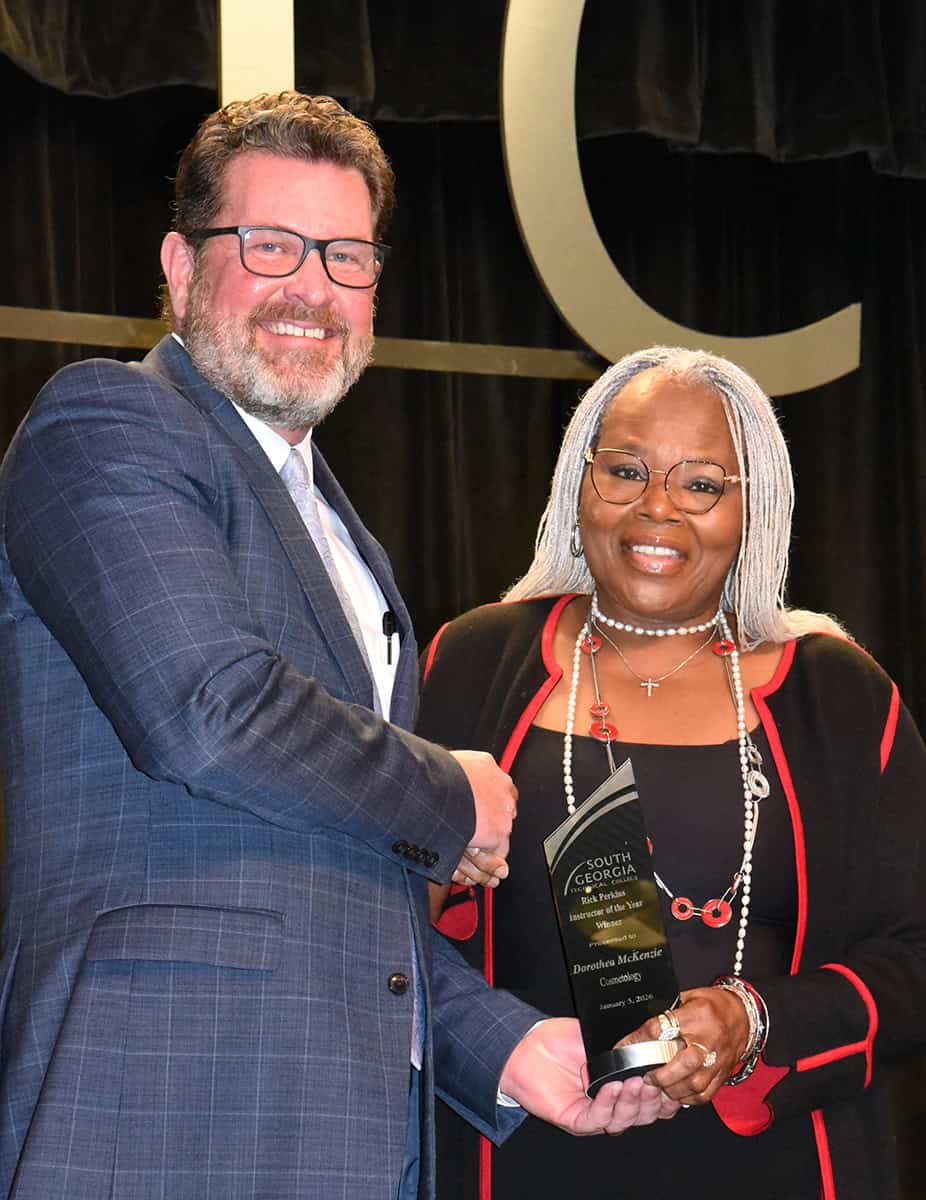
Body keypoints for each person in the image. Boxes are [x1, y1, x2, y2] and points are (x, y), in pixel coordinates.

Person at [0, 95, 675, 1200]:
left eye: (346, 256)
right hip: (159, 1113)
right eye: (269, 245)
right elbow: (206, 712)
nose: (311, 288)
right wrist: (452, 797)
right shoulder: (108, 426)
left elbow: (343, 882)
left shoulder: (343, 536)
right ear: (179, 266)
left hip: (340, 1132)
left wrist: (500, 1046)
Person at [419, 346, 926, 1200]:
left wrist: (754, 1020)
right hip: (524, 1155)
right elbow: (378, 929)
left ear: (752, 507)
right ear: (578, 485)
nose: (657, 510)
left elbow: (913, 956)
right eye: (625, 471)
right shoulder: (471, 663)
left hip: (781, 1165)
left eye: (701, 484)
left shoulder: (838, 695)